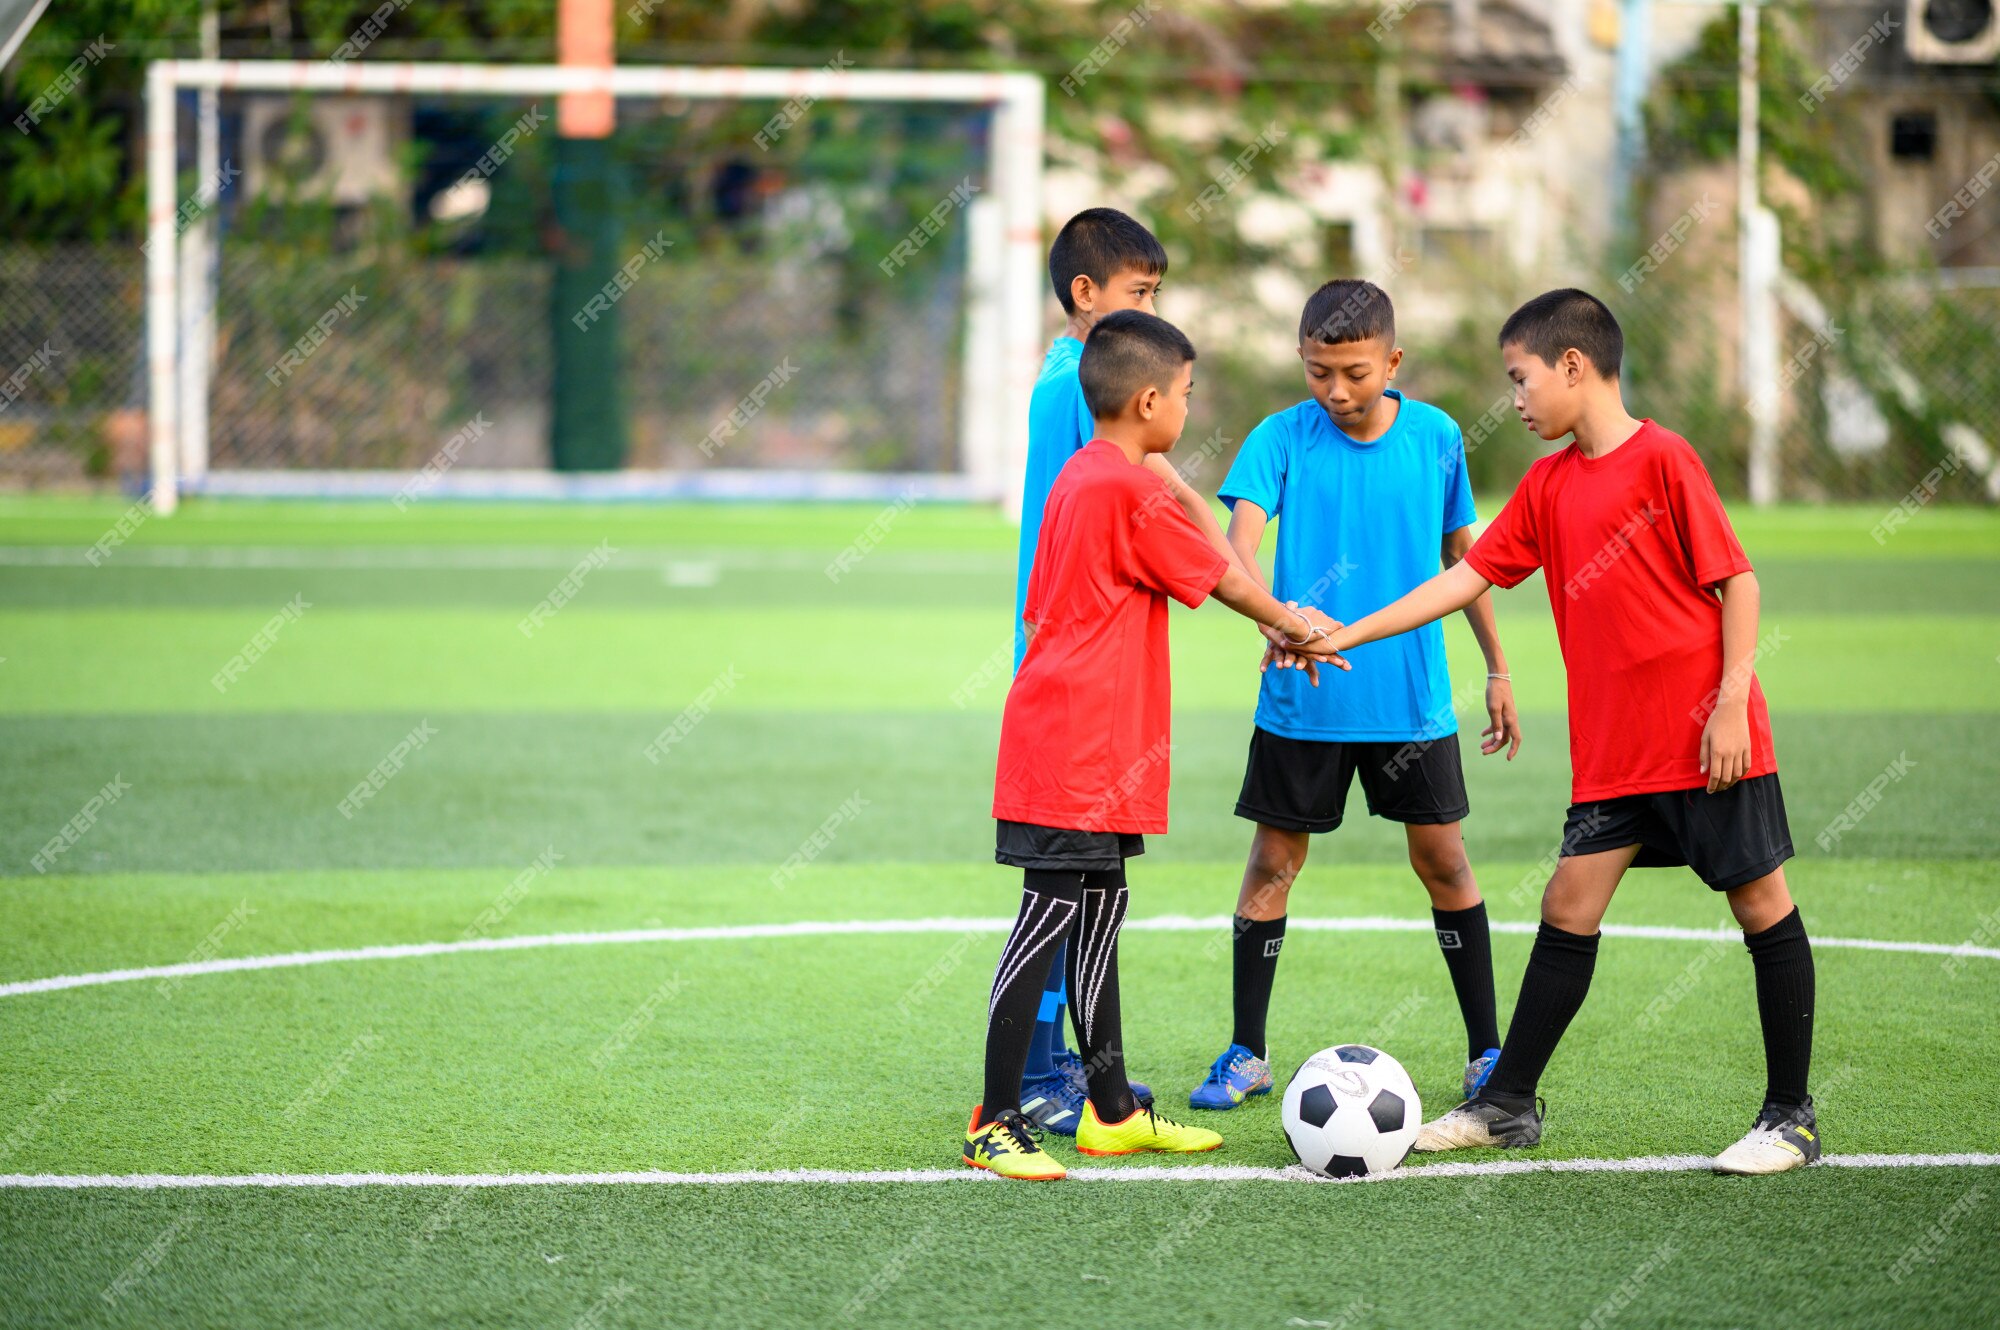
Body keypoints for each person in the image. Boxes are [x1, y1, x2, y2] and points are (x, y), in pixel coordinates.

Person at [1317, 289, 1818, 1175]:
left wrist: (1734, 701)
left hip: (1707, 739)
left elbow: (1737, 582)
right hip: (1616, 757)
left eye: (1522, 379)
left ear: (1574, 367)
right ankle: (1508, 1104)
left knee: (1759, 904)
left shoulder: (1665, 459)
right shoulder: (1548, 485)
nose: (1514, 400)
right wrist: (1345, 632)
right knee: (1567, 905)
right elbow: (1467, 578)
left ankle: (1790, 1118)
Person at [965, 311, 1348, 1180]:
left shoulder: (1088, 473)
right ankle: (995, 1120)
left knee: (1099, 917)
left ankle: (1108, 1112)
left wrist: (1287, 626)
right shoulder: (1128, 488)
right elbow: (1221, 581)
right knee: (1048, 918)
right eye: (1184, 394)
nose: (1188, 407)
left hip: (1100, 748)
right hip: (1071, 746)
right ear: (1147, 400)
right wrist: (1300, 629)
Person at [1190, 279, 1522, 1114]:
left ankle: (1488, 1054)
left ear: (1393, 361)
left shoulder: (1439, 438)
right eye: (1317, 372)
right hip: (1303, 698)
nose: (1336, 391)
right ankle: (1246, 1051)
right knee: (1272, 862)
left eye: (1354, 372)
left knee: (1443, 861)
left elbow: (1465, 562)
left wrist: (1498, 668)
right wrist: (1271, 618)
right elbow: (1241, 543)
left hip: (1412, 699)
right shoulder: (1279, 438)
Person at [1008, 208, 1239, 1135]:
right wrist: (1258, 595)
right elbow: (1137, 489)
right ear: (1085, 295)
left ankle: (1081, 1076)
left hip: (1078, 650)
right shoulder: (1076, 384)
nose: (1150, 307)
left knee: (1088, 889)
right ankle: (1032, 1080)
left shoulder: (1064, 377)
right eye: (1140, 293)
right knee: (1061, 891)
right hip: (1076, 662)